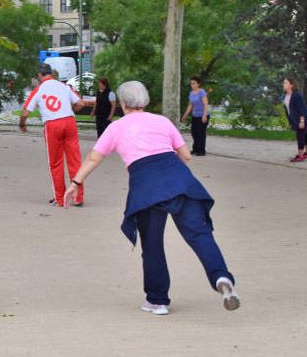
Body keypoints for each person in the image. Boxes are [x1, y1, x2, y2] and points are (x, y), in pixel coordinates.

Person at [63, 81, 240, 316]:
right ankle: (221, 277)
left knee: (153, 245)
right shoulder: (162, 121)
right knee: (199, 234)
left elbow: (94, 159)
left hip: (146, 187)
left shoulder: (116, 128)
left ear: (123, 104)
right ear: (144, 101)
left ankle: (157, 301)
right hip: (180, 181)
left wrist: (75, 182)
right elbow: (186, 156)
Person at [19, 63, 85, 207]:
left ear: (39, 75)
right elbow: (80, 103)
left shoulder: (38, 90)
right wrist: (70, 109)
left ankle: (60, 198)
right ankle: (78, 197)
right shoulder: (64, 86)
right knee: (75, 160)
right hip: (69, 122)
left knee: (56, 163)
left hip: (52, 125)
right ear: (51, 73)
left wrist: (22, 124)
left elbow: (25, 112)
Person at [283, 77, 307, 162]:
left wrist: (302, 121)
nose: (284, 84)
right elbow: (288, 110)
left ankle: (300, 156)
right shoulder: (287, 95)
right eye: (284, 83)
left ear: (291, 85)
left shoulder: (296, 95)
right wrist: (290, 121)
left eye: (286, 83)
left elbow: (301, 109)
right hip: (296, 119)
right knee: (305, 135)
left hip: (303, 119)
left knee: (300, 135)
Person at [181, 76, 210, 156]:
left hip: (203, 115)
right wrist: (185, 115)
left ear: (198, 84)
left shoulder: (202, 92)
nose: (192, 85)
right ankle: (195, 149)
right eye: (191, 83)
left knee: (201, 133)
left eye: (194, 83)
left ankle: (201, 151)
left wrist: (204, 115)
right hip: (195, 115)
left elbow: (205, 104)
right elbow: (190, 105)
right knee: (194, 133)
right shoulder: (191, 93)